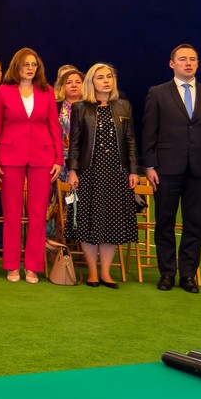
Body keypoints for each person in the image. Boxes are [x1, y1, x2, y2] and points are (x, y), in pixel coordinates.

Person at [142, 44, 201, 293]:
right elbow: (149, 132)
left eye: (192, 59)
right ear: (172, 64)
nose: (188, 63)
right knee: (164, 222)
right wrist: (149, 165)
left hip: (200, 170)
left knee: (194, 223)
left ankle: (188, 275)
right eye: (182, 59)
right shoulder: (157, 93)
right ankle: (167, 273)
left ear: (197, 63)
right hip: (166, 169)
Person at [66, 63, 138, 288]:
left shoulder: (124, 106)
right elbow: (75, 142)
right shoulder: (80, 107)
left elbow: (130, 140)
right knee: (88, 222)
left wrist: (133, 171)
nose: (106, 81)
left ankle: (106, 273)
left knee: (112, 222)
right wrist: (73, 170)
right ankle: (92, 273)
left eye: (109, 77)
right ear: (91, 81)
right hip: (89, 172)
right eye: (100, 77)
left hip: (117, 172)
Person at [0, 48, 62, 284]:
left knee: (38, 214)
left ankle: (33, 266)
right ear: (17, 66)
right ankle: (12, 265)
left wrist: (58, 159)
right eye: (26, 64)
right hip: (9, 156)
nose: (30, 68)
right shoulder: (3, 92)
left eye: (34, 64)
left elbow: (54, 127)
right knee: (11, 213)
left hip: (42, 157)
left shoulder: (47, 91)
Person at [55, 68, 84, 167]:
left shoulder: (91, 106)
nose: (74, 85)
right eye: (69, 82)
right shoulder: (54, 106)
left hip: (84, 158)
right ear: (62, 86)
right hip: (59, 159)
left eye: (78, 82)